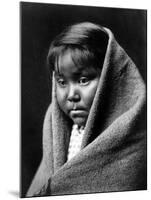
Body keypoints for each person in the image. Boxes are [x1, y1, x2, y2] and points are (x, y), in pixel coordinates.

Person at [26, 22, 146, 197]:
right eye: (61, 82)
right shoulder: (54, 129)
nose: (71, 95)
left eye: (83, 80)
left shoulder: (134, 137)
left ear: (109, 79)